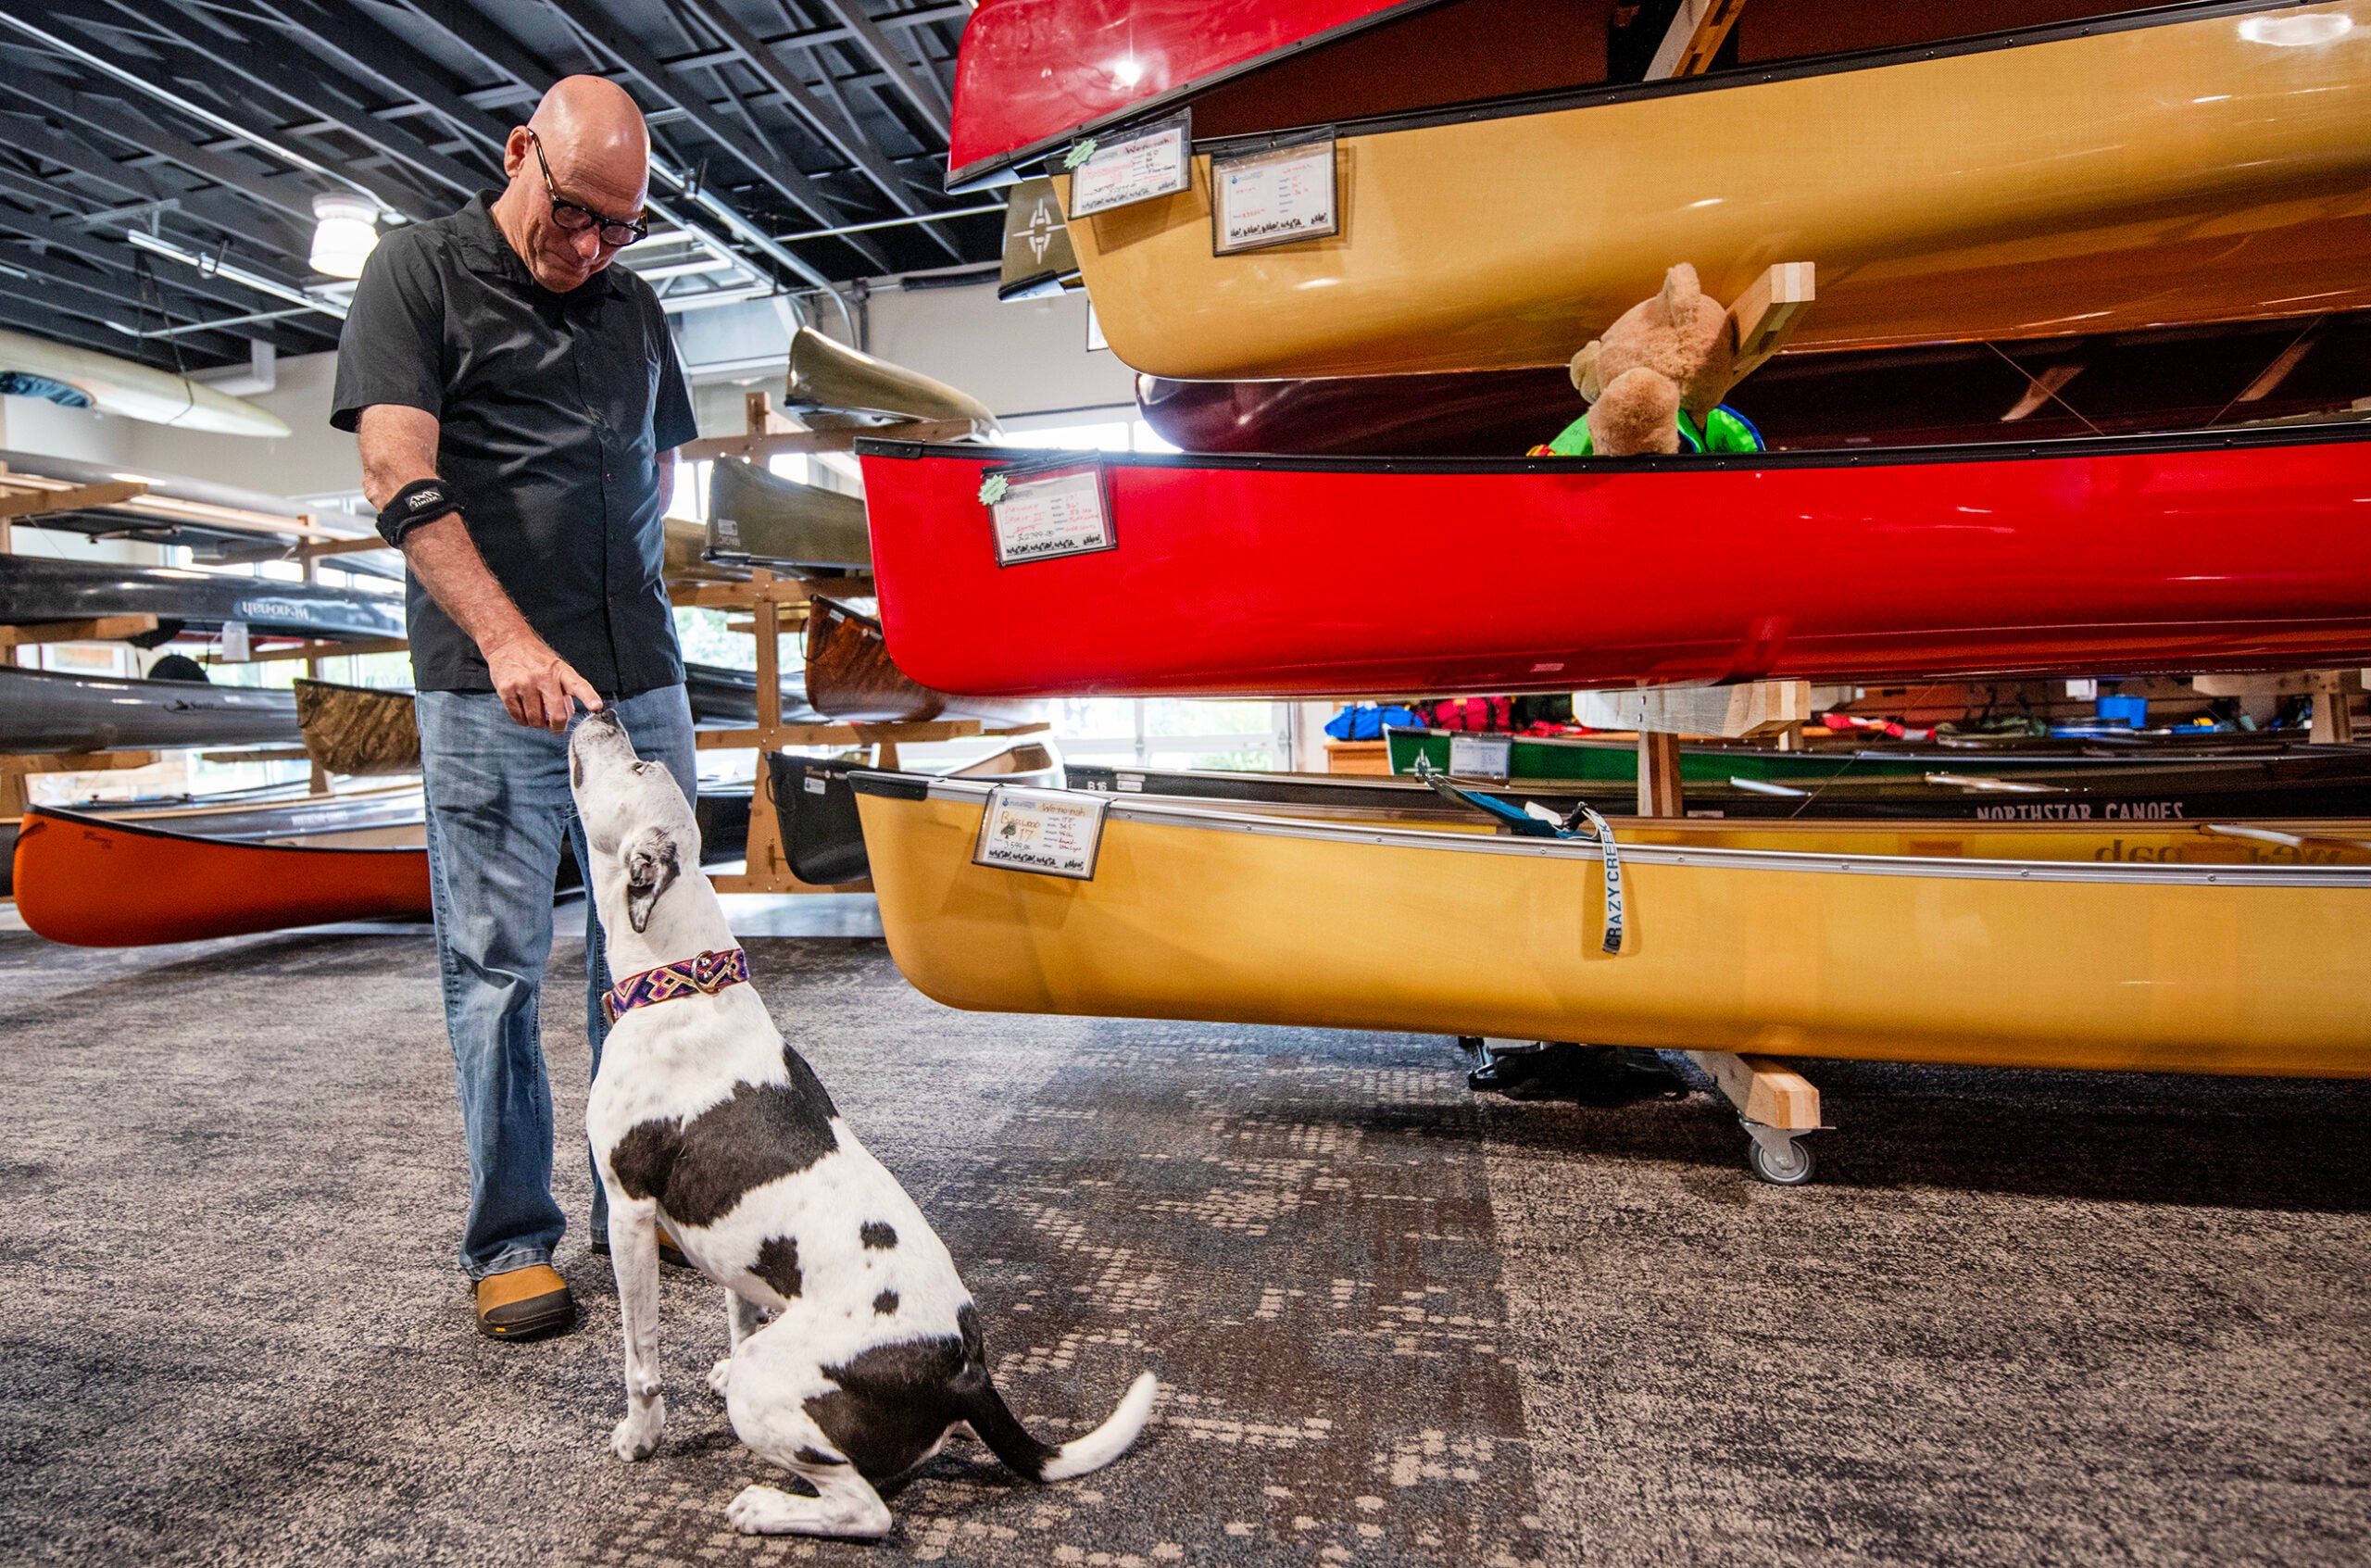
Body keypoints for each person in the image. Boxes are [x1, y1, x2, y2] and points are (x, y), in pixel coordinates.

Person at [332, 76, 701, 1341]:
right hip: (492, 689)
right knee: (496, 965)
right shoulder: (415, 275)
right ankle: (509, 1238)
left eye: (618, 226)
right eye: (573, 213)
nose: (589, 246)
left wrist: (635, 611)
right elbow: (393, 466)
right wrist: (505, 635)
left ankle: (634, 1201)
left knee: (648, 957)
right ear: (517, 156)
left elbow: (657, 468)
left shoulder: (636, 306)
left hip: (638, 673)